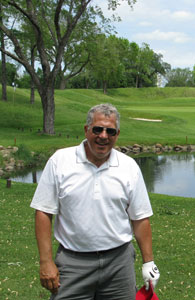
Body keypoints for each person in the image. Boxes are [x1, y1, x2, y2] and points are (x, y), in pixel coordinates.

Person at [30, 103, 160, 299]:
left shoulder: (129, 167)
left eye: (110, 131)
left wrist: (148, 262)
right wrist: (46, 261)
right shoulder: (60, 161)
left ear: (117, 134)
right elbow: (43, 212)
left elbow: (140, 218)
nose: (103, 136)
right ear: (86, 129)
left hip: (119, 264)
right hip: (73, 262)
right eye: (97, 129)